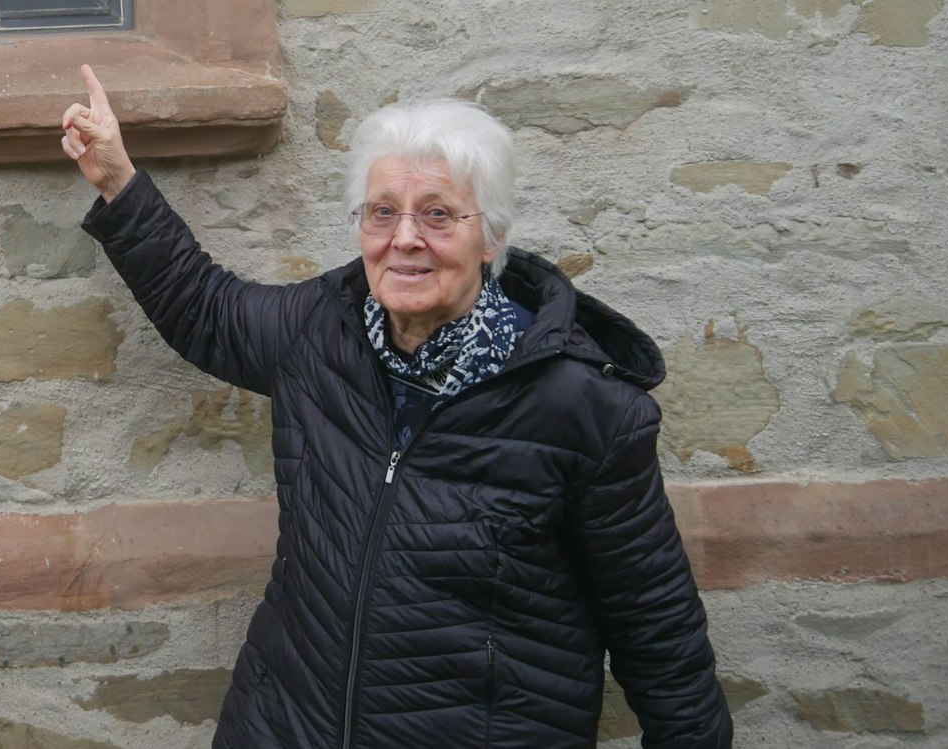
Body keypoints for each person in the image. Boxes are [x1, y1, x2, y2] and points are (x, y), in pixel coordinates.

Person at [60, 68, 731, 748]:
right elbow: (208, 308)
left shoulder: (584, 408)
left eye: (438, 214)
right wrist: (118, 179)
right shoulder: (321, 330)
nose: (405, 237)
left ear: (490, 238)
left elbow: (657, 632)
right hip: (285, 726)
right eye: (383, 212)